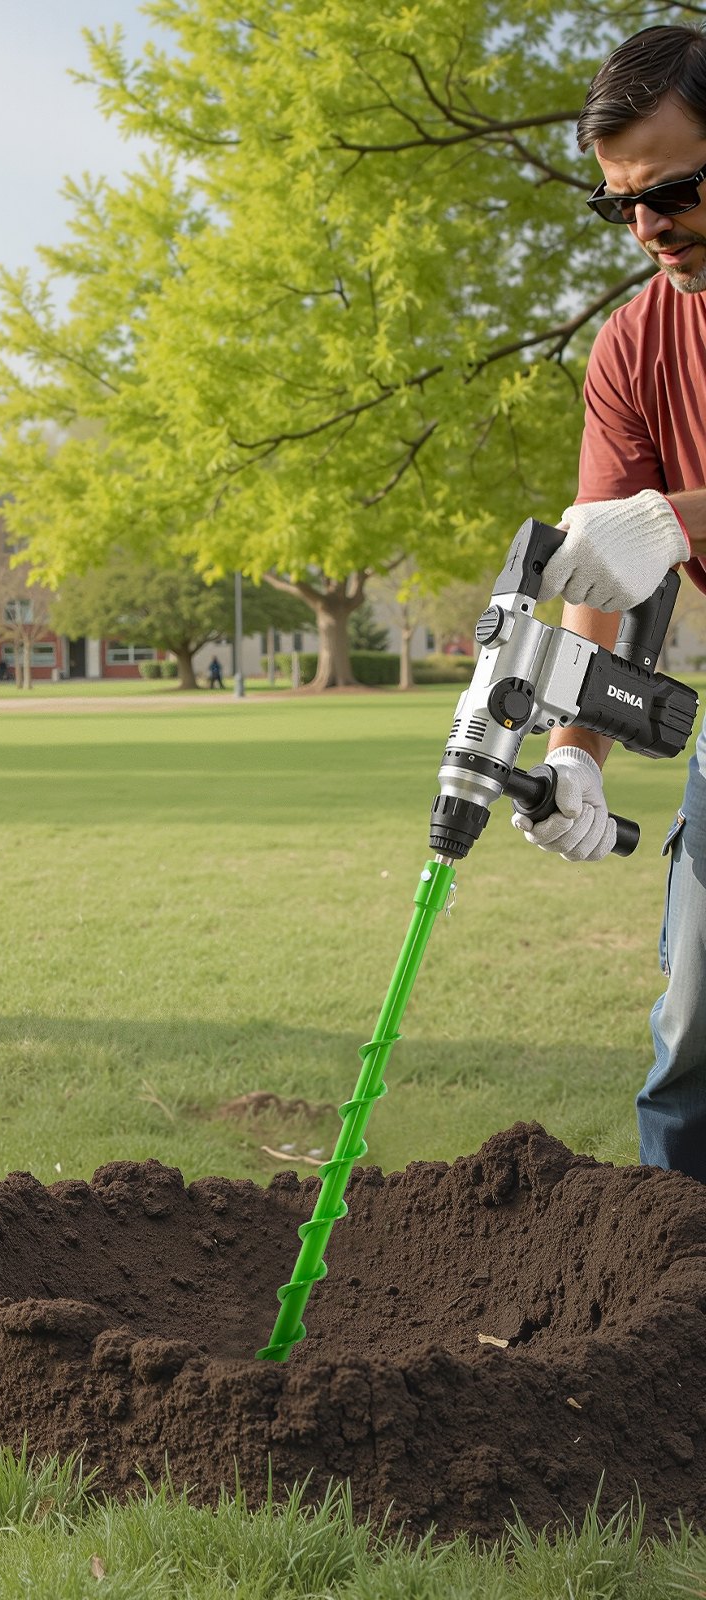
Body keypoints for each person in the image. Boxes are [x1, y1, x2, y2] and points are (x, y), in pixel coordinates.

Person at [512, 24, 706, 1180]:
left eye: (673, 189)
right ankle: (682, 1322)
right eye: (618, 203)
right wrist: (574, 743)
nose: (645, 227)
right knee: (690, 1029)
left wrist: (681, 518)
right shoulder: (632, 346)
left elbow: (655, 531)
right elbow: (602, 566)